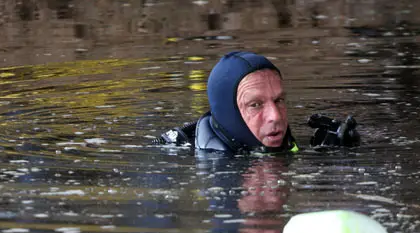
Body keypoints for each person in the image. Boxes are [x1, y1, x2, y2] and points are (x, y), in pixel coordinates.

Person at [154, 50, 360, 154]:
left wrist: (332, 154)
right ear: (230, 114)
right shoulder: (187, 160)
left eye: (279, 100)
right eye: (255, 105)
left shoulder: (286, 143)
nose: (276, 116)